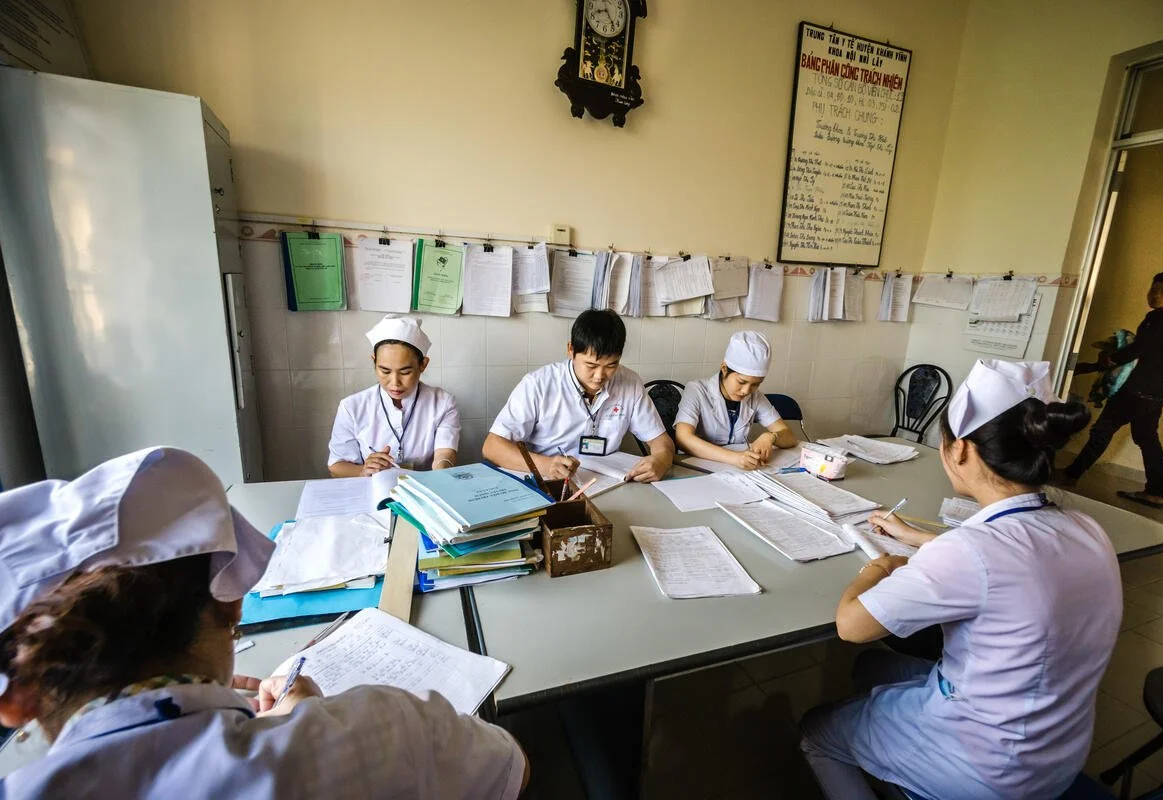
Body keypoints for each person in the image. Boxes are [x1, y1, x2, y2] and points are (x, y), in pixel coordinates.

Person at [0, 447, 528, 799]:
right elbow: (512, 767)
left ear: (12, 702)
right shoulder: (387, 732)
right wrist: (313, 718)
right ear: (232, 605)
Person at [799, 360, 1120, 800]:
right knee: (872, 669)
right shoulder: (1088, 529)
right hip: (1059, 752)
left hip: (984, 766)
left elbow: (851, 626)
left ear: (962, 449)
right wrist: (920, 538)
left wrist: (880, 566)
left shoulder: (971, 552)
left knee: (818, 731)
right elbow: (1004, 562)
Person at [483, 309, 674, 482]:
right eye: (590, 365)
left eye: (611, 366)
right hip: (549, 482)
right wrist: (546, 465)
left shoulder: (630, 382)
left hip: (607, 482)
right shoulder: (539, 384)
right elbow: (492, 447)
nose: (600, 376)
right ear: (570, 350)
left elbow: (660, 440)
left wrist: (661, 460)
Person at [1062, 270, 1163, 509]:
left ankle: (1071, 475)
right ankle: (1154, 492)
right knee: (1147, 438)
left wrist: (1108, 361)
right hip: (1154, 391)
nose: (1156, 295)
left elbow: (1139, 349)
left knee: (1103, 430)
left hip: (1137, 390)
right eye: (1154, 289)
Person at [328, 314, 460, 476]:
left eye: (405, 372)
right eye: (385, 371)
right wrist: (363, 470)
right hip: (372, 490)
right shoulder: (352, 407)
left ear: (423, 365)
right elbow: (336, 466)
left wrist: (442, 470)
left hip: (424, 489)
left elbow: (445, 453)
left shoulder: (442, 403)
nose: (394, 382)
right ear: (374, 361)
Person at [674, 331, 798, 469]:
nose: (746, 391)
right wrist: (735, 458)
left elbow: (789, 437)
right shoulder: (696, 390)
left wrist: (770, 436)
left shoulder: (755, 396)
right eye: (741, 382)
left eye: (756, 384)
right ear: (724, 368)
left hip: (735, 469)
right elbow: (683, 438)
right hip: (697, 467)